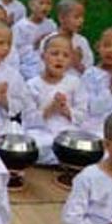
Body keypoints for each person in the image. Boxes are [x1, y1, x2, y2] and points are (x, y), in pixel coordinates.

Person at [24, 34, 86, 165]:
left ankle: (61, 158)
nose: (60, 59)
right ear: (43, 56)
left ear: (71, 60)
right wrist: (50, 109)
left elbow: (82, 115)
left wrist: (66, 110)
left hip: (67, 132)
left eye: (65, 55)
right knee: (33, 146)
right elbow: (27, 119)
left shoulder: (75, 83)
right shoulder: (32, 85)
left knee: (78, 145)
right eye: (54, 54)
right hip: (41, 132)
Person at [11, 0, 56, 79]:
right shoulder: (21, 26)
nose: (45, 7)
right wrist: (34, 45)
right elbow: (15, 50)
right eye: (41, 3)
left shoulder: (51, 25)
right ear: (31, 5)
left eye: (48, 4)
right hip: (27, 65)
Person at [53, 0, 93, 75]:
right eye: (76, 17)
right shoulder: (50, 41)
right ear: (61, 18)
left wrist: (77, 63)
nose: (81, 21)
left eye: (82, 17)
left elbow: (89, 72)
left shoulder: (82, 42)